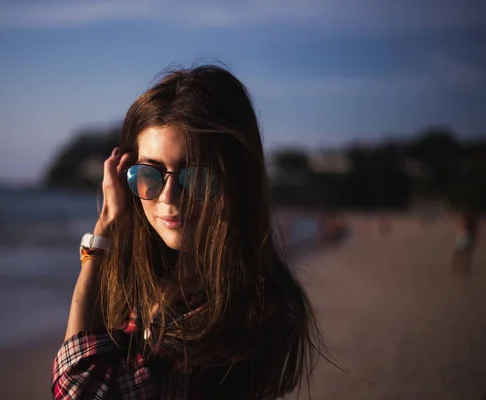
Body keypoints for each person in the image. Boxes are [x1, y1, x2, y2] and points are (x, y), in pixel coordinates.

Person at [52, 65, 319, 399]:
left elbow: (78, 388)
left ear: (237, 179)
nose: (168, 198)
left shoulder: (253, 311)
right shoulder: (153, 279)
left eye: (196, 176)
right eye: (149, 172)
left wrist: (103, 231)